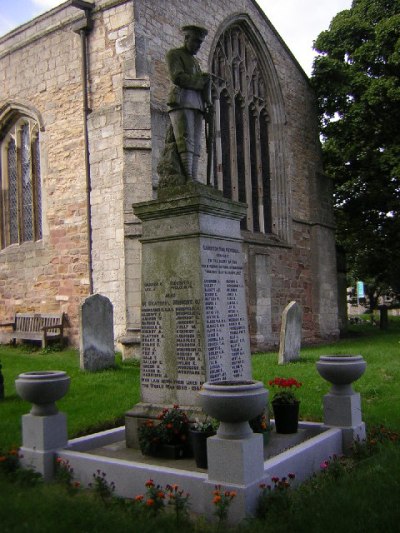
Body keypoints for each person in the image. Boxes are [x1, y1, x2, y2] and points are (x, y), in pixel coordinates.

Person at [166, 25, 211, 181]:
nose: (198, 46)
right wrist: (200, 82)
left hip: (197, 104)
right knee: (186, 139)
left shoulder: (195, 62)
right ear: (186, 38)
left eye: (200, 43)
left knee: (196, 142)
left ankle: (193, 177)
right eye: (196, 42)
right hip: (183, 101)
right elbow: (177, 77)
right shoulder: (175, 55)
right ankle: (189, 177)